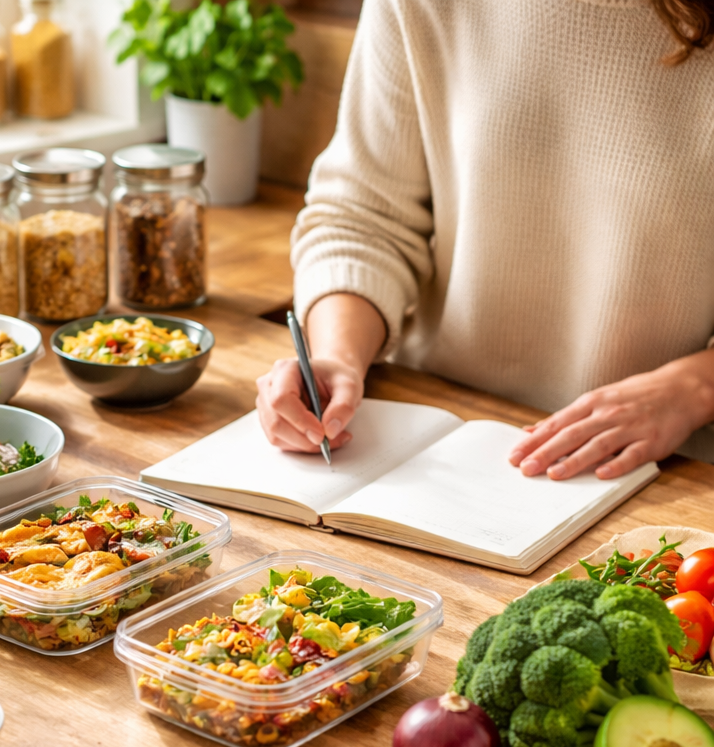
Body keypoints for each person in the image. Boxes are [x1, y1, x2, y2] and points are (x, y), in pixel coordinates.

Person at [257, 0, 714, 479]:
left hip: (672, 470)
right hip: (430, 437)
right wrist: (336, 356)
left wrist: (693, 390)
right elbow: (365, 214)